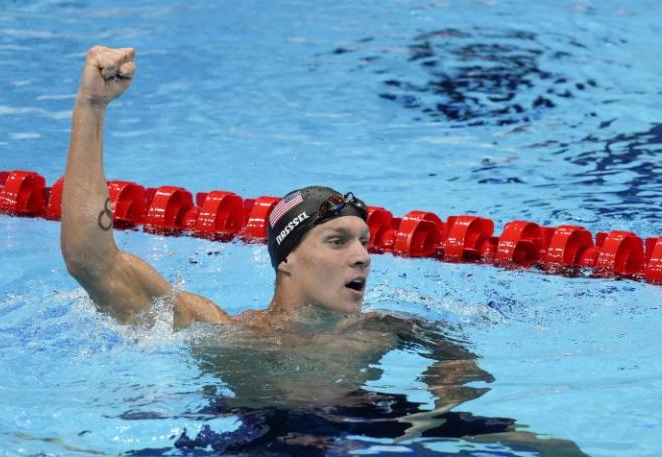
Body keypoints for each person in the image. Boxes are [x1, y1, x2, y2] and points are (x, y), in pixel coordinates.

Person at [61, 45, 495, 431]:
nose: (363, 256)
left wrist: (442, 404)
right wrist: (91, 106)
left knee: (542, 448)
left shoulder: (385, 329)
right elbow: (93, 263)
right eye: (337, 241)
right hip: (262, 442)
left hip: (366, 420)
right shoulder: (227, 335)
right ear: (285, 259)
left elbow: (457, 360)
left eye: (364, 241)